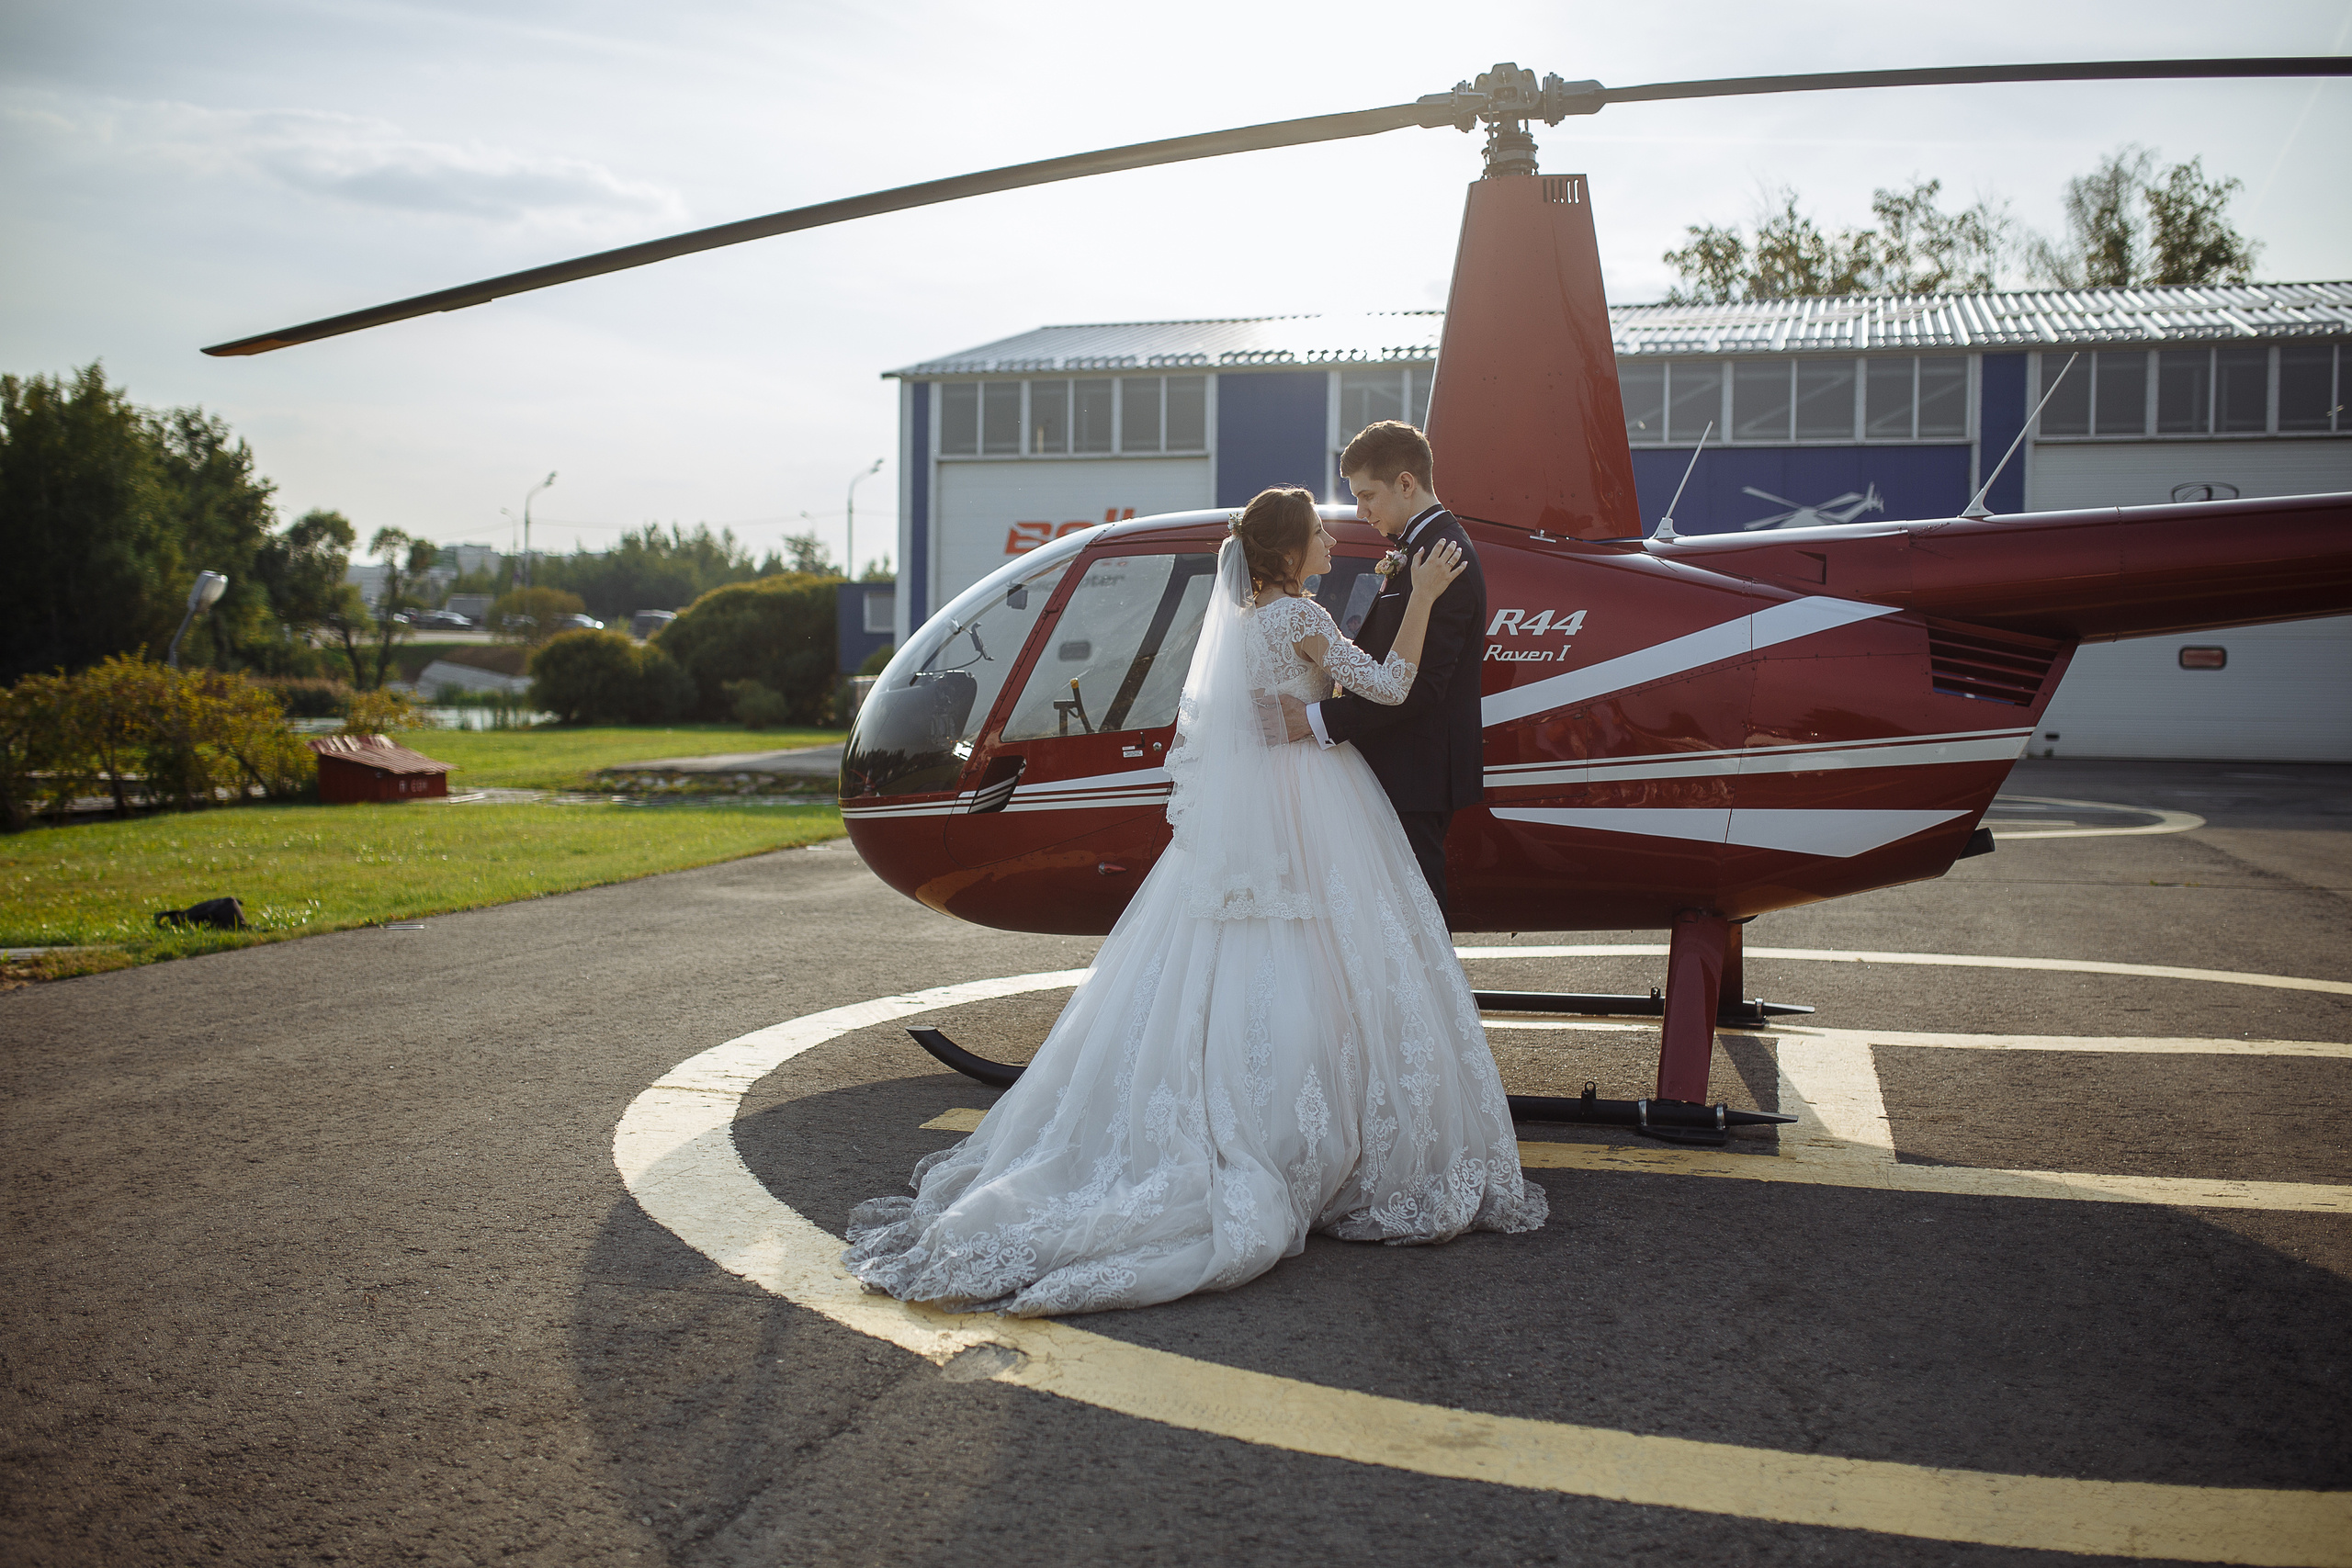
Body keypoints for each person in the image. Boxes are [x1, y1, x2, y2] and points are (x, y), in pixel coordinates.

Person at [842, 486, 1546, 1316]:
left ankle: (1246, 1103)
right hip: (1315, 798)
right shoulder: (1300, 620)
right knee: (1334, 945)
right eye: (1319, 531)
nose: (1331, 538)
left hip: (1262, 812)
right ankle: (1320, 1130)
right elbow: (1390, 687)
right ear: (1289, 552)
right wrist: (1421, 599)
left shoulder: (1245, 627)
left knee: (1242, 947)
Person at [1283, 421, 1482, 920]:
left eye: (1367, 495)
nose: (1360, 511)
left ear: (1406, 483)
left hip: (1415, 770)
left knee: (1415, 921)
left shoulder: (1442, 555)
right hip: (1401, 765)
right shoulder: (1419, 547)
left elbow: (1422, 689)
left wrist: (1318, 719)